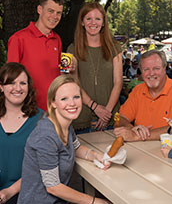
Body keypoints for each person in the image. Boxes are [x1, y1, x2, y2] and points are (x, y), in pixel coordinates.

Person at [17, 75, 110, 204]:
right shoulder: (46, 135)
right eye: (64, 98)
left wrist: (95, 155)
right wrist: (95, 201)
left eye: (76, 97)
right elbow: (53, 187)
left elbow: (76, 147)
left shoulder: (65, 123)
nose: (72, 103)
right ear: (53, 103)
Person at [67, 2, 122, 133]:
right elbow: (74, 84)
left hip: (110, 118)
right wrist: (95, 107)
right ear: (82, 22)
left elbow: (118, 82)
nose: (93, 23)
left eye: (97, 19)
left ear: (103, 23)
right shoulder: (72, 49)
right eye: (89, 18)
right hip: (82, 117)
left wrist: (106, 113)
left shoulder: (115, 47)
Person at [114, 50, 172, 142]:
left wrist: (137, 136)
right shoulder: (137, 90)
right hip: (140, 149)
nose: (151, 73)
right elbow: (121, 118)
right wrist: (133, 129)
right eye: (146, 69)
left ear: (165, 68)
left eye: (156, 68)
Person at [7, 0, 64, 112]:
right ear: (39, 9)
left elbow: (59, 74)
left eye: (58, 13)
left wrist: (70, 68)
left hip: (54, 110)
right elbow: (10, 80)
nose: (55, 16)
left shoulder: (57, 39)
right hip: (29, 111)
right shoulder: (18, 39)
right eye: (50, 11)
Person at [0, 63, 43, 204]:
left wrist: (9, 191)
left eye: (23, 83)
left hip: (29, 195)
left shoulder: (41, 120)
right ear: (1, 87)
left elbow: (43, 166)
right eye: (11, 83)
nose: (18, 88)